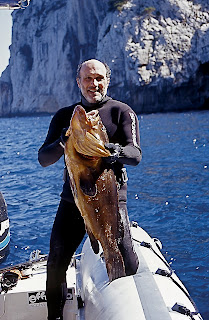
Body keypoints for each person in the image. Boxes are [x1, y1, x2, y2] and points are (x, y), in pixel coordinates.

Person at [38, 59, 142, 320]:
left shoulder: (121, 111)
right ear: (78, 82)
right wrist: (64, 141)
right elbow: (43, 158)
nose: (93, 84)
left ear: (107, 80)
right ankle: (55, 317)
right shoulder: (66, 117)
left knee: (125, 259)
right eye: (87, 78)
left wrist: (114, 152)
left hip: (111, 201)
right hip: (73, 200)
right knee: (56, 261)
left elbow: (135, 154)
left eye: (99, 78)